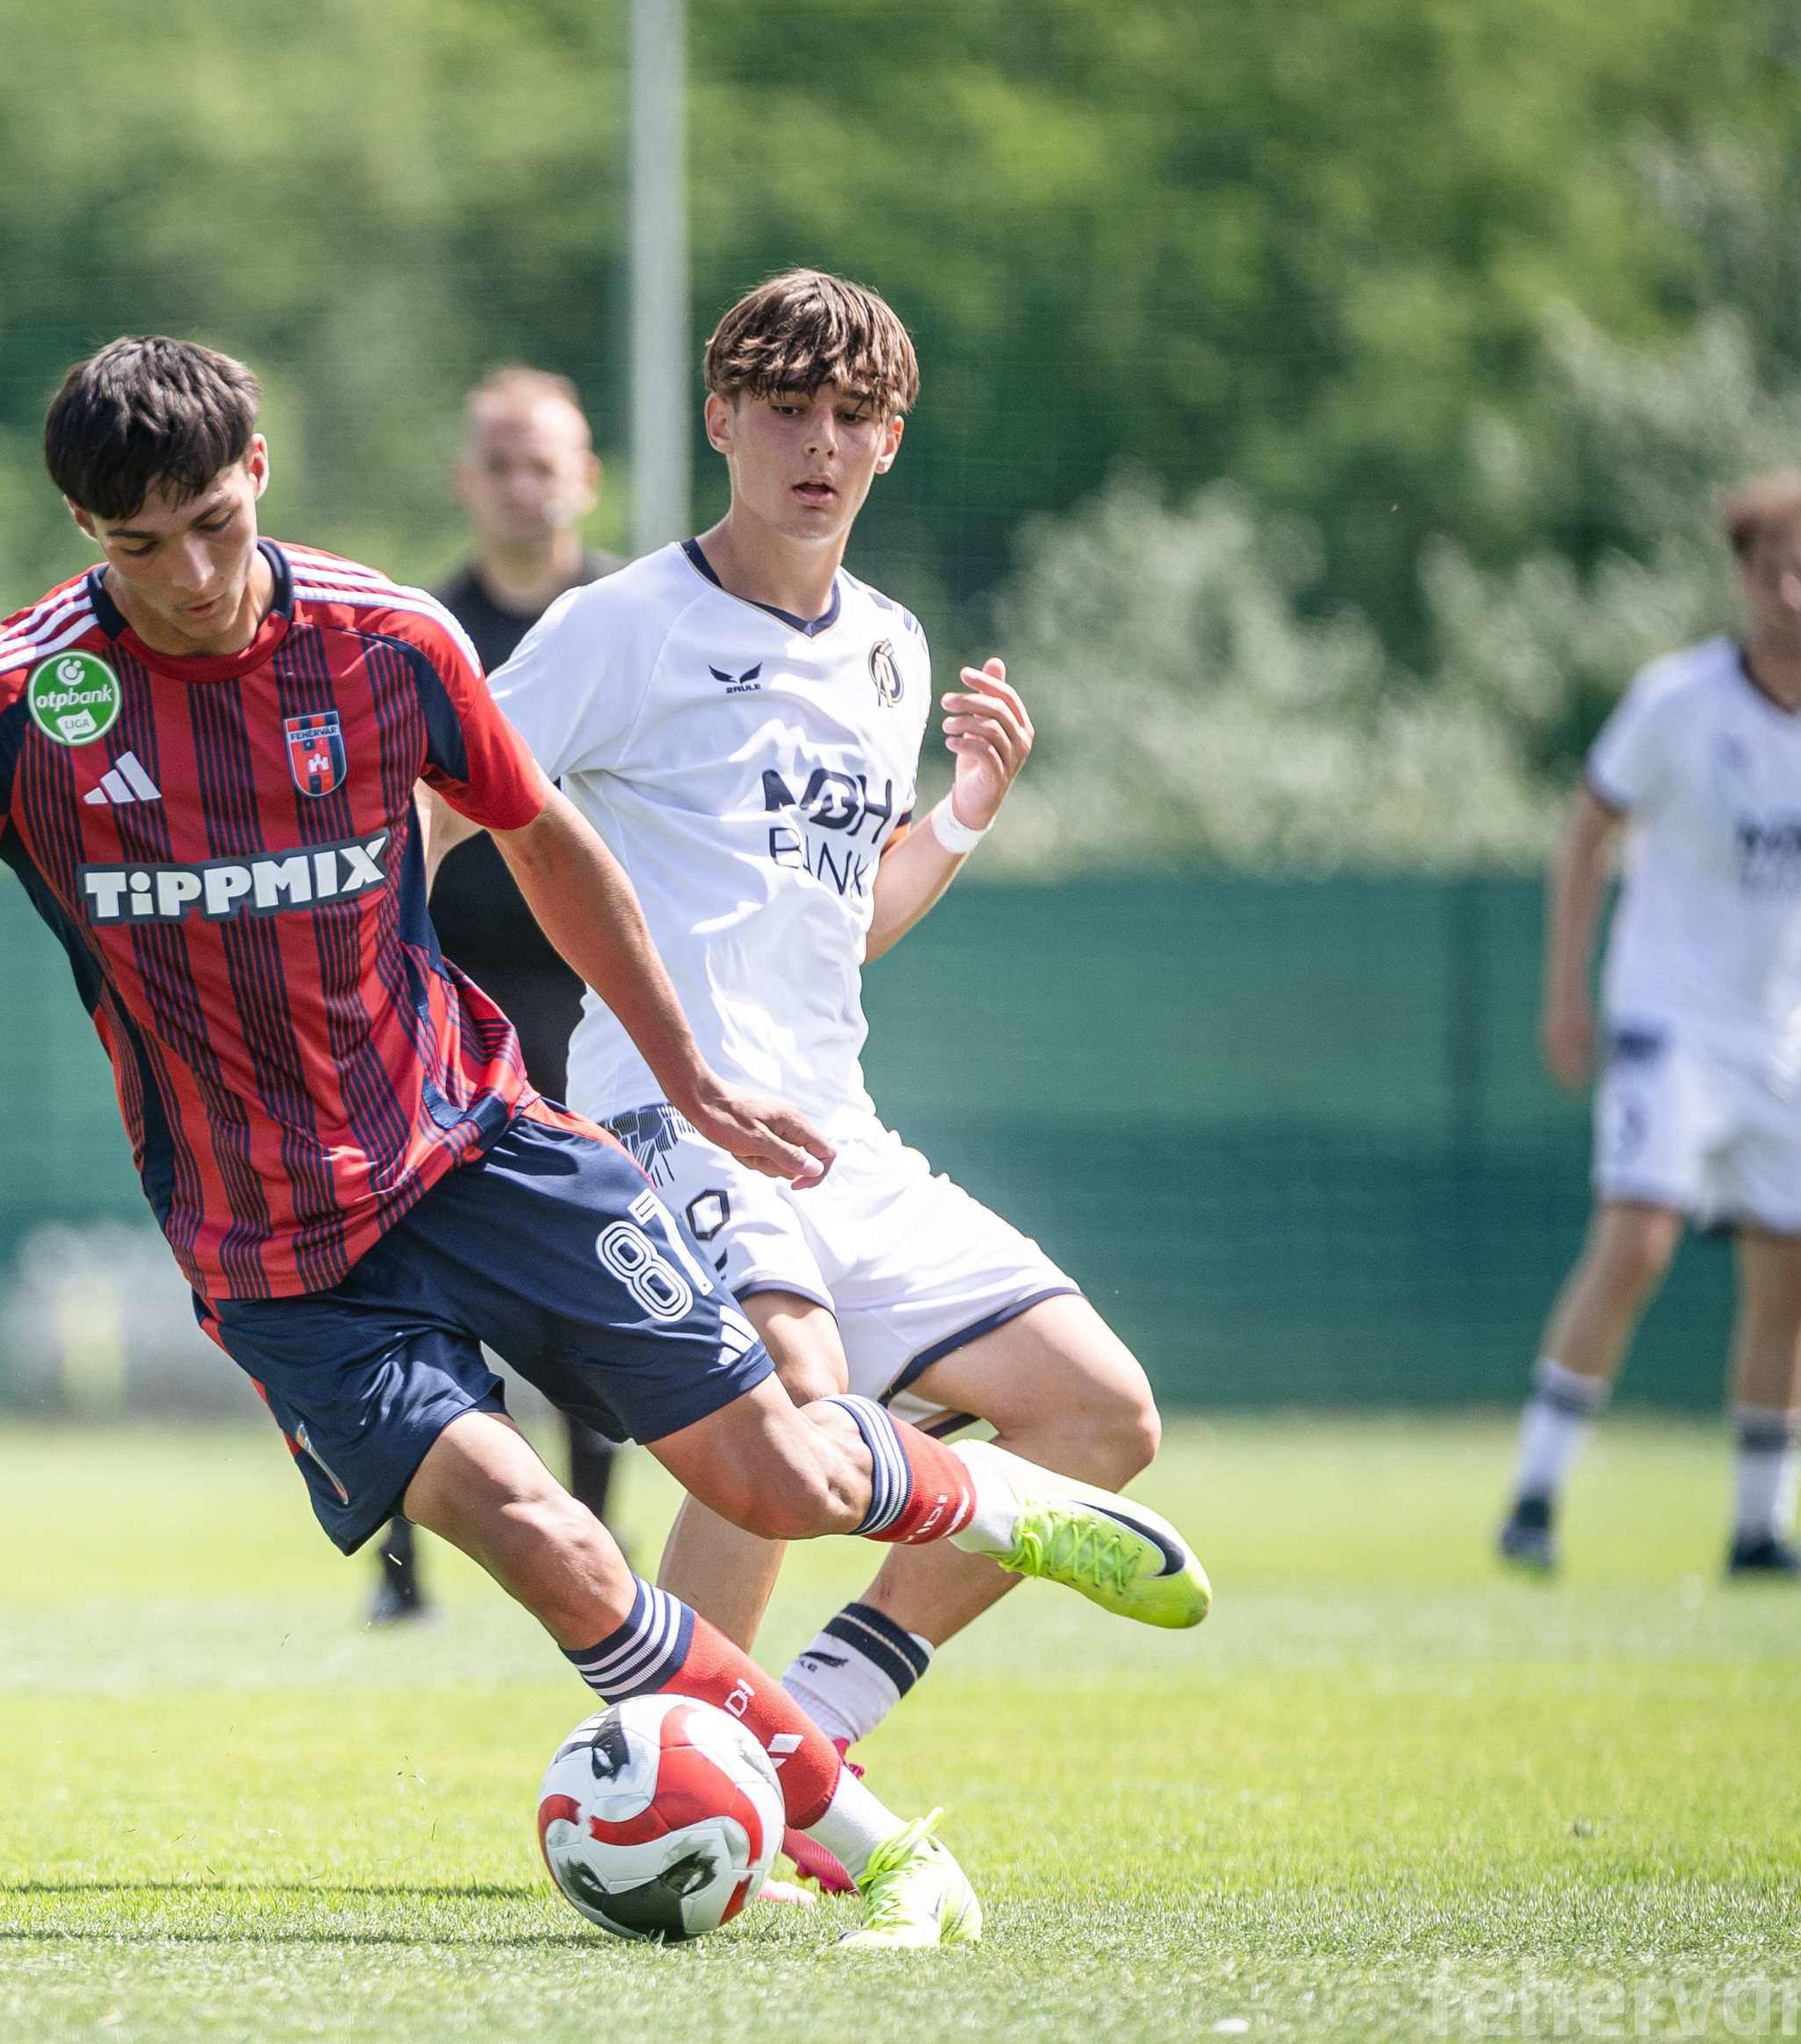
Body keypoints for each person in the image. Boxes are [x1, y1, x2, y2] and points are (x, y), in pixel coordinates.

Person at [0, 336, 1209, 1948]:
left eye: (214, 525)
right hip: (278, 1256)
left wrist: (680, 1071)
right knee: (550, 1543)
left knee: (779, 1481)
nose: (189, 575)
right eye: (139, 546)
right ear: (83, 531)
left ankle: (983, 1492)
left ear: (259, 474)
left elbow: (550, 846)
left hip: (483, 1151)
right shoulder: (14, 701)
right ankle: (883, 1850)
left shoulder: (386, 641)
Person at [455, 270, 1208, 1894]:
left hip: (838, 1137)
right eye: (787, 409)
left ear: (892, 441)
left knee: (1101, 1414)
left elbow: (839, 922)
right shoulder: (623, 625)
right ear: (719, 421)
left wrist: (965, 813)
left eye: (854, 416)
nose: (820, 443)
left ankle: (790, 1748)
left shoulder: (890, 650)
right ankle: (767, 1738)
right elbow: (439, 806)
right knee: (792, 1417)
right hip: (671, 1113)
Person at [1498, 470, 1801, 1590]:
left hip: (1781, 1034)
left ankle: (1757, 1530)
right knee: (1636, 1239)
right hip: (1665, 1016)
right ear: (1742, 583)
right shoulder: (1676, 700)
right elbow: (1586, 829)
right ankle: (1533, 1497)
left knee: (1799, 1269)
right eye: (1767, 570)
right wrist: (1564, 990)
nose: (1789, 589)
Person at [371, 365, 626, 1628]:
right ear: (466, 480)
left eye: (546, 463)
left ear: (586, 477)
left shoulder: (636, 620)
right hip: (445, 999)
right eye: (501, 463)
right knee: (417, 1277)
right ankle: (402, 1573)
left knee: (596, 1276)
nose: (524, 486)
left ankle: (605, 1553)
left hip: (598, 1006)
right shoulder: (426, 634)